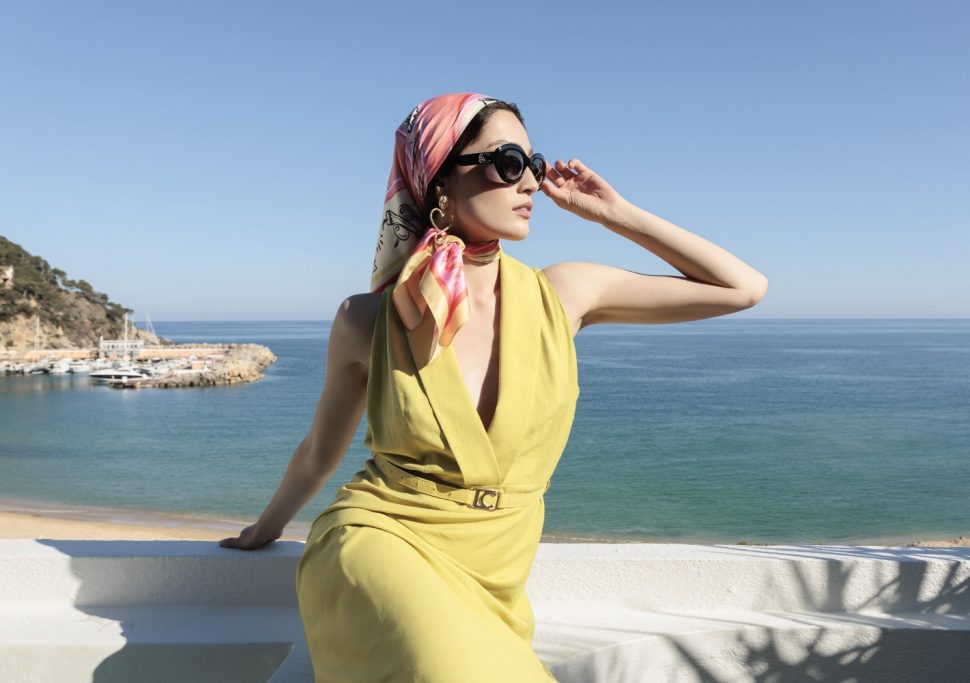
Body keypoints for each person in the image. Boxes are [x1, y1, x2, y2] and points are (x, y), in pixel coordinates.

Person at [220, 92, 768, 682]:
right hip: (380, 539)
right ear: (440, 180)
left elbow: (741, 288)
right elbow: (319, 452)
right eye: (508, 163)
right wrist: (264, 531)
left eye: (534, 164)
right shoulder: (368, 319)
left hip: (496, 572)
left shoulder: (563, 294)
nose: (530, 182)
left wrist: (613, 213)